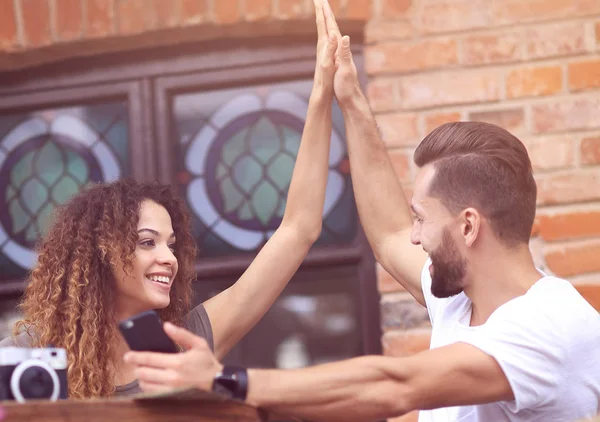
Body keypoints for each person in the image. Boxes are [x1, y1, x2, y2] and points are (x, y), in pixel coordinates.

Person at [124, 0, 600, 421]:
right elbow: (390, 232)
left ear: (469, 226)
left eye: (423, 220)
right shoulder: (463, 299)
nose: (415, 237)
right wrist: (349, 100)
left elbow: (395, 385)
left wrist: (227, 380)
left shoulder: (549, 325)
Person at [0, 3, 337, 397]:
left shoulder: (185, 342)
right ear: (102, 252)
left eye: (171, 244)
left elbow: (298, 229)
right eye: (148, 242)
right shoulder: (31, 357)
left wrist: (321, 95)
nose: (169, 258)